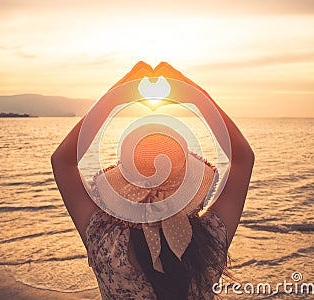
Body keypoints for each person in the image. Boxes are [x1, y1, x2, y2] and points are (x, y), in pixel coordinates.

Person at [51, 62, 255, 299]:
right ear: (187, 184)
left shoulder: (106, 242)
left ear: (125, 185)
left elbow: (62, 162)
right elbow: (243, 159)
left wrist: (116, 95)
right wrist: (196, 97)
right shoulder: (209, 240)